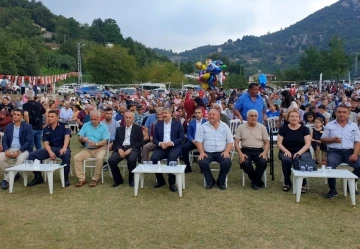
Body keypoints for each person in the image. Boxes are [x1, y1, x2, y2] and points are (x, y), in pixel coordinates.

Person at [320, 104, 360, 199]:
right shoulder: (329, 125)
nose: (342, 114)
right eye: (339, 112)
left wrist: (355, 154)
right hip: (334, 152)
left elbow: (357, 141)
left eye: (344, 112)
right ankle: (332, 190)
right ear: (335, 113)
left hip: (349, 152)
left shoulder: (354, 126)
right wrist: (332, 140)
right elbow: (322, 139)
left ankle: (349, 183)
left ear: (348, 114)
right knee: (330, 166)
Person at [27, 110, 72, 187]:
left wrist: (64, 148)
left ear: (57, 117)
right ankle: (38, 177)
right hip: (50, 148)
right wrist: (50, 152)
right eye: (49, 116)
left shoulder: (64, 126)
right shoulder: (46, 129)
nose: (50, 118)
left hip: (62, 147)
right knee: (32, 155)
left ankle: (65, 178)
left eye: (52, 116)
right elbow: (46, 143)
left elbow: (67, 137)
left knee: (66, 154)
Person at [196, 109, 234, 190]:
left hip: (221, 152)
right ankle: (210, 181)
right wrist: (201, 152)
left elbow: (230, 141)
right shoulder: (203, 127)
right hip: (207, 152)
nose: (211, 116)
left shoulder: (225, 126)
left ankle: (221, 181)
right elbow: (198, 141)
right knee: (201, 161)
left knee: (227, 162)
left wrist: (227, 151)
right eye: (209, 114)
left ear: (218, 116)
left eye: (213, 114)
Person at [277, 109, 312, 193]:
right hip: (286, 151)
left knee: (301, 159)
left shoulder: (304, 129)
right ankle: (287, 181)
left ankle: (303, 183)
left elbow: (307, 143)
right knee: (286, 160)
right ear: (288, 118)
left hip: (302, 151)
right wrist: (286, 151)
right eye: (292, 116)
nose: (294, 118)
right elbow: (279, 143)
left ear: (299, 118)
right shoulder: (283, 129)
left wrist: (299, 153)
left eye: (296, 116)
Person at [151, 107, 184, 192]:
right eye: (163, 113)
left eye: (166, 113)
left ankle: (171, 183)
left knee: (171, 158)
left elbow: (181, 138)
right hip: (162, 147)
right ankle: (161, 181)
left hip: (174, 147)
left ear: (171, 114)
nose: (164, 115)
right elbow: (154, 138)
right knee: (153, 158)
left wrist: (172, 143)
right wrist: (160, 143)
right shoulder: (158, 124)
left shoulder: (177, 123)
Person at [234, 110, 270, 190]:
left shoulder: (262, 127)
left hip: (259, 150)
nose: (253, 118)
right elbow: (236, 142)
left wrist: (264, 152)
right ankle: (257, 180)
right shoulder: (241, 127)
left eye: (255, 116)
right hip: (246, 150)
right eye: (251, 116)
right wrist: (240, 153)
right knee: (245, 162)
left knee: (263, 162)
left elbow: (267, 143)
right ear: (247, 117)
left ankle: (255, 181)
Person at [74, 110, 110, 187]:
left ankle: (95, 178)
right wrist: (83, 139)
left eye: (95, 119)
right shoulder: (86, 125)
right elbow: (79, 137)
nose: (93, 121)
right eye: (91, 119)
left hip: (100, 148)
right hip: (88, 149)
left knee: (100, 158)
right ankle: (81, 178)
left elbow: (105, 141)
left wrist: (96, 143)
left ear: (99, 118)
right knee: (76, 158)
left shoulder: (104, 127)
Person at [0, 109, 33, 189]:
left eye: (18, 115)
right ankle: (15, 172)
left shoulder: (27, 126)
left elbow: (29, 142)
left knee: (20, 159)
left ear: (22, 117)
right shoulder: (9, 127)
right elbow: (5, 141)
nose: (15, 116)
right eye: (14, 114)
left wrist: (19, 151)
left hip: (23, 150)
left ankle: (6, 180)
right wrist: (7, 149)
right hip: (10, 149)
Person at [108, 111, 143, 187]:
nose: (128, 119)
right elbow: (116, 141)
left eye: (129, 118)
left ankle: (131, 179)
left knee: (132, 159)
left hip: (132, 148)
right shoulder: (119, 129)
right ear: (124, 118)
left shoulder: (138, 128)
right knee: (111, 160)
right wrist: (119, 149)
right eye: (126, 117)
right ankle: (118, 180)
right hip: (121, 148)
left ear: (133, 119)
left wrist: (130, 149)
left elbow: (140, 142)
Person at [181, 107, 207, 173]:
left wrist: (201, 142)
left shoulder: (206, 122)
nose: (197, 114)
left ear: (202, 114)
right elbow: (188, 134)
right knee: (184, 148)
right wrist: (192, 140)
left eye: (199, 113)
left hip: (203, 142)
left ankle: (203, 167)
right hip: (193, 141)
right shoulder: (192, 122)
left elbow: (208, 134)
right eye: (196, 113)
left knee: (206, 149)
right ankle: (188, 167)